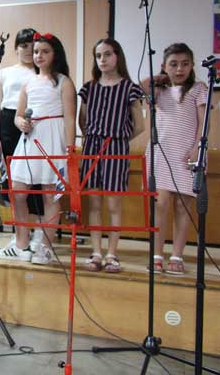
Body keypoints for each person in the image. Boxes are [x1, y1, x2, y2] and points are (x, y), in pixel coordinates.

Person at [8, 32, 76, 265]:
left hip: (53, 137)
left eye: (45, 51)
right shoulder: (28, 82)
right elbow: (18, 115)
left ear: (56, 54)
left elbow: (70, 119)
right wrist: (21, 123)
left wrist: (69, 150)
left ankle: (45, 247)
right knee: (18, 191)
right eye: (36, 51)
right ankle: (21, 243)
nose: (38, 55)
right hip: (30, 139)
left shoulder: (64, 82)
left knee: (50, 194)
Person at [79, 39, 144, 273]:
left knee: (114, 203)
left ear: (117, 56)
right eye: (98, 56)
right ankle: (96, 252)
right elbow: (83, 121)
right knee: (94, 203)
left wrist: (118, 138)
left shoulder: (129, 88)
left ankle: (112, 254)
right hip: (91, 146)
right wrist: (93, 138)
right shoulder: (89, 88)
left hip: (116, 147)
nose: (103, 59)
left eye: (107, 54)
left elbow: (140, 126)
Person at [141, 43, 206, 275]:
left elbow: (204, 123)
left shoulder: (198, 89)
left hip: (187, 152)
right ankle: (157, 254)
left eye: (185, 64)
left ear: (192, 66)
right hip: (161, 152)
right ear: (164, 66)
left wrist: (198, 148)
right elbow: (142, 86)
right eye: (174, 64)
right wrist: (158, 78)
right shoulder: (159, 91)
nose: (179, 69)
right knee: (160, 203)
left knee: (183, 205)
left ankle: (177, 255)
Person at [0, 28, 46, 261]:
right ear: (16, 49)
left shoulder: (42, 72)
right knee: (14, 183)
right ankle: (20, 235)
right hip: (8, 124)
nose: (28, 50)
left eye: (32, 46)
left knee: (37, 181)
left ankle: (39, 235)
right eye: (23, 46)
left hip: (34, 124)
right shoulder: (5, 73)